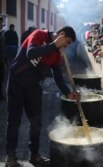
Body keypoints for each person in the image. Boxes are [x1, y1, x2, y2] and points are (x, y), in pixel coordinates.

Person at [5, 26, 80, 167]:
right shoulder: (39, 35)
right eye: (68, 42)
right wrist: (53, 45)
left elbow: (58, 76)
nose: (67, 46)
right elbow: (31, 53)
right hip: (17, 81)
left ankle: (34, 155)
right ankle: (11, 157)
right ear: (61, 35)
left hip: (33, 86)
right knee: (14, 121)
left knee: (36, 122)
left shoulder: (56, 54)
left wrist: (68, 93)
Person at [0, 16, 6, 101]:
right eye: (0, 23)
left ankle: (0, 94)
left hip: (1, 60)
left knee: (1, 78)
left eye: (2, 23)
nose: (2, 24)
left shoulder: (1, 34)